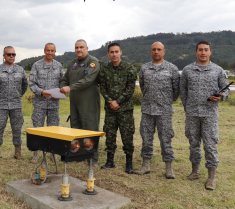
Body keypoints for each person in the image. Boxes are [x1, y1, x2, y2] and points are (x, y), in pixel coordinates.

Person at [180, 40, 229, 190]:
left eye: (206, 50)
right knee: (193, 143)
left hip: (210, 114)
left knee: (210, 144)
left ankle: (211, 177)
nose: (203, 52)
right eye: (200, 50)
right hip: (192, 114)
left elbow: (226, 89)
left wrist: (221, 96)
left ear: (210, 52)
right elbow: (183, 91)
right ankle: (195, 172)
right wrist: (187, 108)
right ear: (196, 52)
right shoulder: (188, 70)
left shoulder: (218, 70)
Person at [136, 42, 180, 179]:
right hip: (148, 110)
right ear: (150, 52)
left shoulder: (172, 68)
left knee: (166, 139)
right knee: (146, 138)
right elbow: (143, 87)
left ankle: (169, 167)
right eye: (154, 50)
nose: (156, 52)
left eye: (159, 49)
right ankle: (145, 165)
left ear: (164, 51)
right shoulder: (144, 68)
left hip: (164, 111)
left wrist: (165, 100)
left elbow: (176, 90)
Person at [60, 39, 101, 166]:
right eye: (76, 47)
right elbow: (65, 79)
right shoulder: (73, 63)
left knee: (90, 128)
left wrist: (70, 87)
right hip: (75, 101)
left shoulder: (93, 62)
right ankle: (78, 154)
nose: (79, 49)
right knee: (76, 127)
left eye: (81, 47)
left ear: (87, 48)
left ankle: (92, 158)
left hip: (88, 101)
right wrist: (62, 87)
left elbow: (88, 80)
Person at [99, 43, 137, 173]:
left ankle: (129, 163)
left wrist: (118, 101)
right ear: (108, 54)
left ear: (121, 52)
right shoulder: (104, 70)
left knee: (127, 136)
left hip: (125, 109)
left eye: (116, 51)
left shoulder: (129, 68)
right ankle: (110, 161)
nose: (114, 54)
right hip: (110, 110)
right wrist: (110, 101)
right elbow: (102, 88)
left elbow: (130, 89)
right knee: (110, 135)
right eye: (111, 52)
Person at [0, 46, 28, 162]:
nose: (11, 56)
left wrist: (17, 95)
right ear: (4, 55)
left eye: (13, 54)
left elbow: (24, 85)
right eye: (9, 54)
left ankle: (18, 152)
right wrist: (0, 96)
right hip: (1, 104)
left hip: (16, 104)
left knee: (17, 128)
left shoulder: (20, 70)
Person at [28, 43, 64, 163]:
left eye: (52, 51)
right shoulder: (37, 65)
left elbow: (62, 83)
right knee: (38, 129)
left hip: (54, 103)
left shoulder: (58, 66)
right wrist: (41, 92)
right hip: (40, 103)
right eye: (48, 50)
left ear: (55, 52)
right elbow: (32, 84)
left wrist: (59, 93)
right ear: (44, 51)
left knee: (53, 129)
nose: (50, 53)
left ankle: (52, 153)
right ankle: (35, 153)